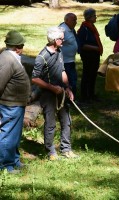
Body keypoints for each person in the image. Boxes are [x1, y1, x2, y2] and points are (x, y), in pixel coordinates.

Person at [32, 27, 78, 161]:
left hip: (61, 92)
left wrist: (68, 88)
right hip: (48, 95)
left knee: (66, 121)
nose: (63, 41)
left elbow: (63, 70)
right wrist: (52, 88)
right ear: (53, 40)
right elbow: (34, 78)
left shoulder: (59, 51)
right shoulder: (42, 57)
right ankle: (51, 152)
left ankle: (66, 149)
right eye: (61, 39)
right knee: (50, 123)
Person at [0, 30, 31, 173]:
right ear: (17, 47)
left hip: (16, 104)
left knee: (15, 135)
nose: (22, 48)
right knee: (8, 134)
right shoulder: (7, 59)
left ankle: (14, 160)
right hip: (10, 104)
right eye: (21, 45)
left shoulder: (11, 57)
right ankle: (5, 165)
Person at [77, 8, 103, 104]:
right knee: (87, 75)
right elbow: (82, 45)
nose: (96, 17)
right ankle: (84, 97)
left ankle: (91, 94)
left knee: (93, 75)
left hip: (94, 55)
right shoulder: (84, 28)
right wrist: (96, 48)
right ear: (89, 17)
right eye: (94, 16)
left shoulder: (91, 26)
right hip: (88, 56)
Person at [59, 13, 78, 99]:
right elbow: (57, 43)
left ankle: (71, 98)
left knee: (73, 80)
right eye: (73, 20)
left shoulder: (71, 29)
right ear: (66, 21)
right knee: (70, 81)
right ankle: (68, 100)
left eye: (76, 20)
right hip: (65, 61)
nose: (75, 22)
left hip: (71, 60)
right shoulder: (62, 30)